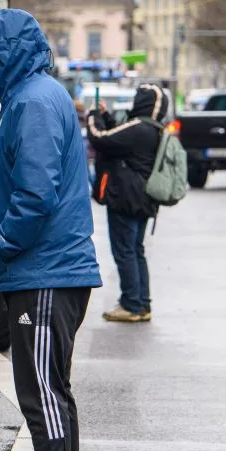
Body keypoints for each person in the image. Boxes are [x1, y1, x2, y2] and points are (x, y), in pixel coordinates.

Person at [0, 9, 101, 451]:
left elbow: (35, 196)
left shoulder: (33, 103)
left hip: (44, 271)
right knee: (52, 389)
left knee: (41, 391)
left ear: (10, 54)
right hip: (50, 270)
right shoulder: (36, 96)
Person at [86, 83, 169, 323]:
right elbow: (119, 140)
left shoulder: (139, 127)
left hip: (125, 198)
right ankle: (142, 303)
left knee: (124, 251)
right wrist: (108, 117)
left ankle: (131, 304)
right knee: (136, 250)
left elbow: (100, 138)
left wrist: (93, 115)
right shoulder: (154, 128)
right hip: (143, 199)